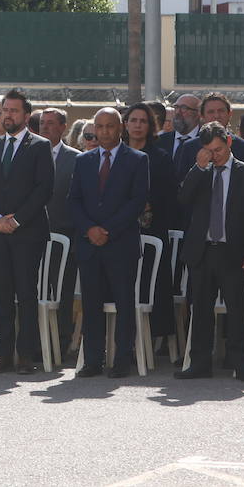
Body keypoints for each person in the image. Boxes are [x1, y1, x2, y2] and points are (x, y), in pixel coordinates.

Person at [175, 122, 244, 382]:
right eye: (209, 151)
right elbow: (183, 199)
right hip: (202, 250)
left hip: (234, 251)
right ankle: (199, 363)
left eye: (218, 150)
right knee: (201, 310)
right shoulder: (201, 171)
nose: (214, 155)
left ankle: (241, 363)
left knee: (237, 310)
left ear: (229, 143)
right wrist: (199, 167)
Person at [0, 89, 54, 375]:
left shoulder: (40, 146)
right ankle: (4, 354)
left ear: (26, 115)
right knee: (1, 293)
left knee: (26, 293)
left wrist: (17, 220)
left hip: (27, 233)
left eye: (13, 111)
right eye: (4, 110)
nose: (7, 115)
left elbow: (43, 189)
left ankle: (26, 355)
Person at [67, 108, 149, 378]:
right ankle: (93, 360)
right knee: (91, 305)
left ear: (120, 127)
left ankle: (122, 359)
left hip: (120, 245)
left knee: (124, 303)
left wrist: (108, 230)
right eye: (99, 127)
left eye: (109, 126)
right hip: (89, 245)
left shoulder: (137, 160)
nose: (104, 132)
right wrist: (89, 229)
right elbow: (74, 200)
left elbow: (137, 201)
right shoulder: (84, 160)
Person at [122, 102, 178, 347]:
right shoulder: (116, 153)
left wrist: (144, 204)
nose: (137, 125)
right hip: (118, 231)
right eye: (133, 120)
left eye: (143, 121)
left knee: (151, 287)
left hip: (151, 230)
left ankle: (150, 343)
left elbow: (169, 195)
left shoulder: (161, 157)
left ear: (150, 126)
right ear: (125, 124)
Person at [39, 107, 80, 360]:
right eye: (42, 123)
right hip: (33, 235)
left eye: (51, 123)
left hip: (64, 237)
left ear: (63, 127)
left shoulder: (76, 158)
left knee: (62, 292)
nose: (45, 127)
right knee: (35, 292)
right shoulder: (30, 154)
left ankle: (62, 342)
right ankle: (36, 341)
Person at [158, 94, 202, 179]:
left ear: (198, 113)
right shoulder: (160, 141)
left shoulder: (205, 141)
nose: (178, 112)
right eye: (176, 107)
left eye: (184, 108)